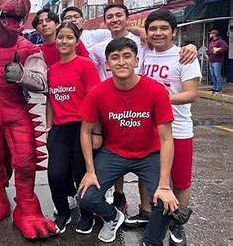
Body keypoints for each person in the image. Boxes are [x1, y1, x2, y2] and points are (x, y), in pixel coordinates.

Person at [78, 37, 179, 244]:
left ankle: (152, 241)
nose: (121, 62)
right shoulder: (97, 92)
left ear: (136, 61)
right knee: (86, 197)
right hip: (113, 152)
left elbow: (167, 139)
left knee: (163, 201)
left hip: (149, 153)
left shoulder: (155, 90)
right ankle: (113, 217)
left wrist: (164, 185)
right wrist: (89, 172)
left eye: (127, 56)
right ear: (107, 63)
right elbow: (85, 132)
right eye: (115, 58)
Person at [124, 9, 200, 246]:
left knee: (180, 180)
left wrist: (163, 97)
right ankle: (146, 213)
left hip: (177, 129)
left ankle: (177, 223)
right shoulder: (145, 51)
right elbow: (131, 29)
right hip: (147, 128)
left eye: (164, 28)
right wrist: (141, 31)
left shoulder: (184, 56)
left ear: (174, 32)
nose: (158, 33)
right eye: (153, 29)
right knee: (147, 175)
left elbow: (191, 94)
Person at [45, 22, 101, 234]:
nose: (64, 41)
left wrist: (97, 131)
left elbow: (95, 100)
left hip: (83, 127)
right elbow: (50, 100)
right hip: (60, 128)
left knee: (82, 174)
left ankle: (87, 215)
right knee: (56, 175)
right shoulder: (52, 70)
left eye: (69, 37)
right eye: (61, 37)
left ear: (77, 42)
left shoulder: (85, 65)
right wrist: (49, 128)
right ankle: (62, 212)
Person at [207, 29, 228, 93]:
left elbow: (226, 47)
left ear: (214, 34)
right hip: (211, 60)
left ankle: (219, 89)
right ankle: (214, 87)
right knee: (213, 75)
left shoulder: (220, 41)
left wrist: (218, 50)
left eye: (211, 33)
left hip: (217, 61)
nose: (210, 35)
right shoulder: (211, 42)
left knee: (217, 74)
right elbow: (209, 51)